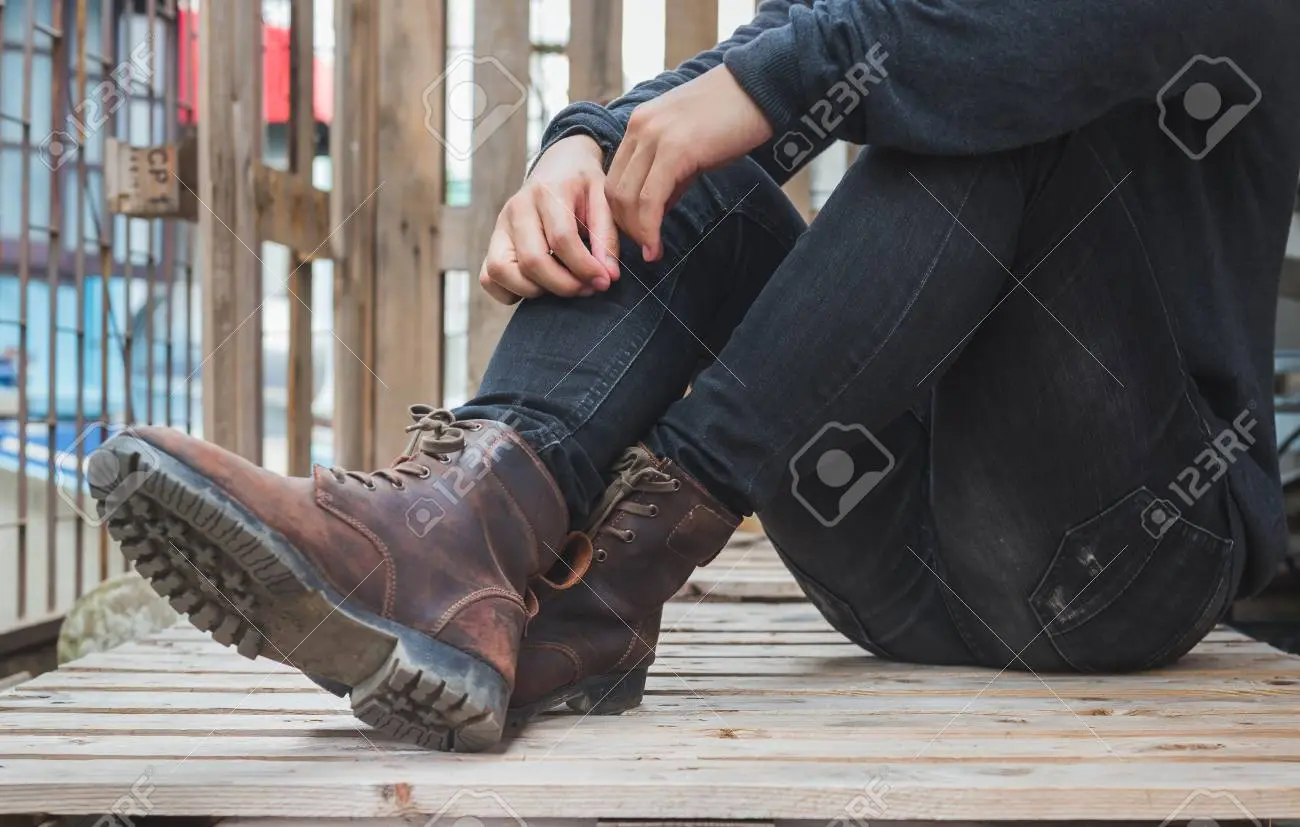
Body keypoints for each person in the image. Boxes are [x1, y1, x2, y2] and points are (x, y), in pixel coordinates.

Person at [91, 0, 1300, 752]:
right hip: (882, 558)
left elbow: (1017, 43)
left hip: (1122, 555)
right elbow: (764, 63)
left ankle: (604, 577)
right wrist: (593, 142)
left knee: (969, 100)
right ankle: (470, 528)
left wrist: (770, 84)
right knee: (693, 169)